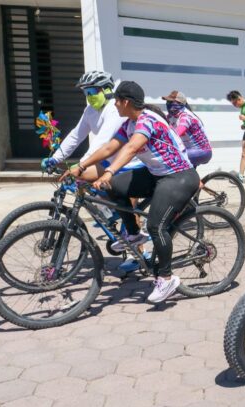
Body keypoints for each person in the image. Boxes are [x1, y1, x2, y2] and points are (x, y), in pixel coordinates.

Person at [62, 81, 199, 303]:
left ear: (125, 102)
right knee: (114, 187)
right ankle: (133, 234)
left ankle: (166, 278)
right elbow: (108, 148)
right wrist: (80, 166)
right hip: (156, 174)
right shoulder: (130, 123)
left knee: (156, 226)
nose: (114, 104)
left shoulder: (147, 120)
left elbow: (131, 148)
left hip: (179, 176)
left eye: (116, 100)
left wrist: (109, 171)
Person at [41, 71, 144, 178]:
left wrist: (81, 164)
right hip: (107, 161)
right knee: (79, 180)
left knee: (82, 175)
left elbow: (102, 141)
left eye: (92, 91)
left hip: (128, 164)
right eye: (86, 93)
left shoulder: (114, 109)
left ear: (106, 90)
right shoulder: (90, 110)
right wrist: (55, 158)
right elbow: (76, 136)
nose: (89, 96)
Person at [163, 90, 212, 167]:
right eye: (167, 102)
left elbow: (178, 133)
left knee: (171, 158)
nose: (168, 104)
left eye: (171, 102)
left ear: (180, 103)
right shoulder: (170, 116)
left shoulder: (186, 116)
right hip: (188, 150)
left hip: (201, 151)